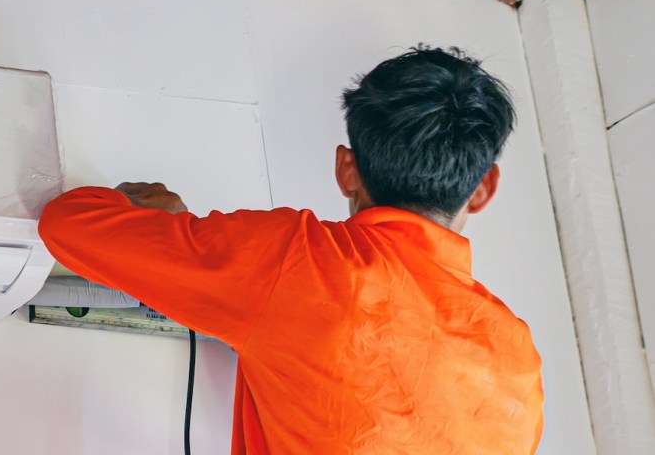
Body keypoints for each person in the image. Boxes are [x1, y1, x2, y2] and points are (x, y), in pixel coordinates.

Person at [39, 46, 543, 454]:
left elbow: (67, 224)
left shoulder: (299, 261)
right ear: (484, 188)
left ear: (346, 170)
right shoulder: (517, 354)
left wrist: (156, 222)